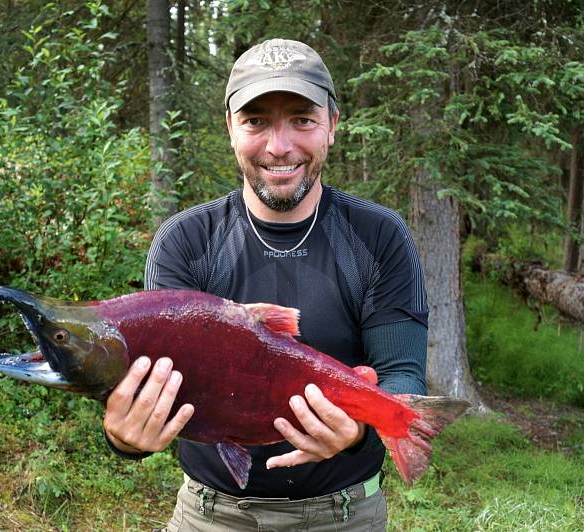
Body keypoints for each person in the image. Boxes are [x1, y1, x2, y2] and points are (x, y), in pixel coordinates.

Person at [102, 38, 428, 531]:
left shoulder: (379, 236)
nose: (280, 146)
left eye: (302, 119)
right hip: (210, 516)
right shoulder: (184, 241)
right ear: (230, 127)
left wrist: (358, 429)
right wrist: (124, 438)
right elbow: (151, 384)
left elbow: (402, 376)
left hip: (345, 516)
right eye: (256, 121)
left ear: (332, 125)